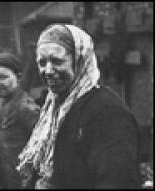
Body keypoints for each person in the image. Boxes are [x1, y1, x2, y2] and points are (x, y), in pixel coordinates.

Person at [17, 24, 142, 189]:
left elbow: (116, 180)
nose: (47, 70)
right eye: (42, 62)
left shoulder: (107, 113)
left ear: (80, 61)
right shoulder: (52, 108)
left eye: (57, 61)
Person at [0, 52, 40, 189]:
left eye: (3, 77)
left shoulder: (26, 108)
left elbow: (45, 149)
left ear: (18, 77)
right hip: (8, 180)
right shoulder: (1, 106)